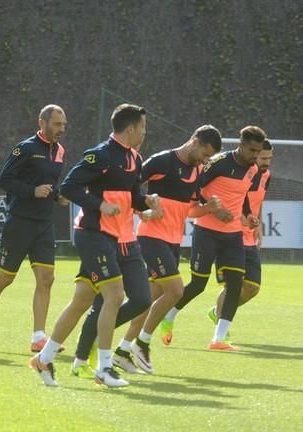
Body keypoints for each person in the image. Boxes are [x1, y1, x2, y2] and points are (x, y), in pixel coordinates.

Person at [29, 103, 161, 387]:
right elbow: (68, 187)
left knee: (132, 298)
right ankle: (103, 367)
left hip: (123, 239)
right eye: (143, 128)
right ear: (130, 129)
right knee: (113, 296)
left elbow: (134, 195)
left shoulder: (135, 158)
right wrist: (99, 204)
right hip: (94, 235)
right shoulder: (99, 155)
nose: (144, 133)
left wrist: (146, 204)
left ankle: (43, 359)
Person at [104, 125, 222, 375]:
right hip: (151, 237)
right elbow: (129, 189)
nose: (205, 159)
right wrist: (142, 211)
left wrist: (209, 208)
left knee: (145, 300)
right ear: (194, 140)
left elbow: (189, 210)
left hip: (172, 241)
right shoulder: (160, 161)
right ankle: (142, 343)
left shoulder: (198, 170)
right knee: (176, 290)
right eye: (205, 153)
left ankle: (120, 349)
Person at [0, 105, 69, 353]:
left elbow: (49, 183)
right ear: (42, 122)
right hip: (20, 221)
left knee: (46, 279)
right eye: (57, 124)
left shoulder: (59, 151)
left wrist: (58, 196)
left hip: (45, 223)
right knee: (6, 277)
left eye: (64, 125)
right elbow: (4, 179)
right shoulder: (25, 148)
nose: (61, 129)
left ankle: (38, 337)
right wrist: (32, 192)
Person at [159, 126, 266, 351]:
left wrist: (248, 215)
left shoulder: (253, 169)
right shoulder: (218, 162)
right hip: (206, 231)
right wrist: (213, 210)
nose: (255, 156)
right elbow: (195, 186)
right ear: (241, 145)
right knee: (198, 284)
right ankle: (168, 317)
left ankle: (219, 338)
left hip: (233, 234)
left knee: (236, 283)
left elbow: (243, 195)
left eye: (258, 151)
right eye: (252, 150)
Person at [207, 139, 274, 330]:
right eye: (262, 158)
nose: (266, 162)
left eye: (269, 158)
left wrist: (258, 225)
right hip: (232, 233)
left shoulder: (266, 175)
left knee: (252, 287)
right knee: (233, 285)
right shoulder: (240, 172)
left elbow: (258, 201)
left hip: (249, 235)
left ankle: (217, 312)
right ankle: (221, 331)